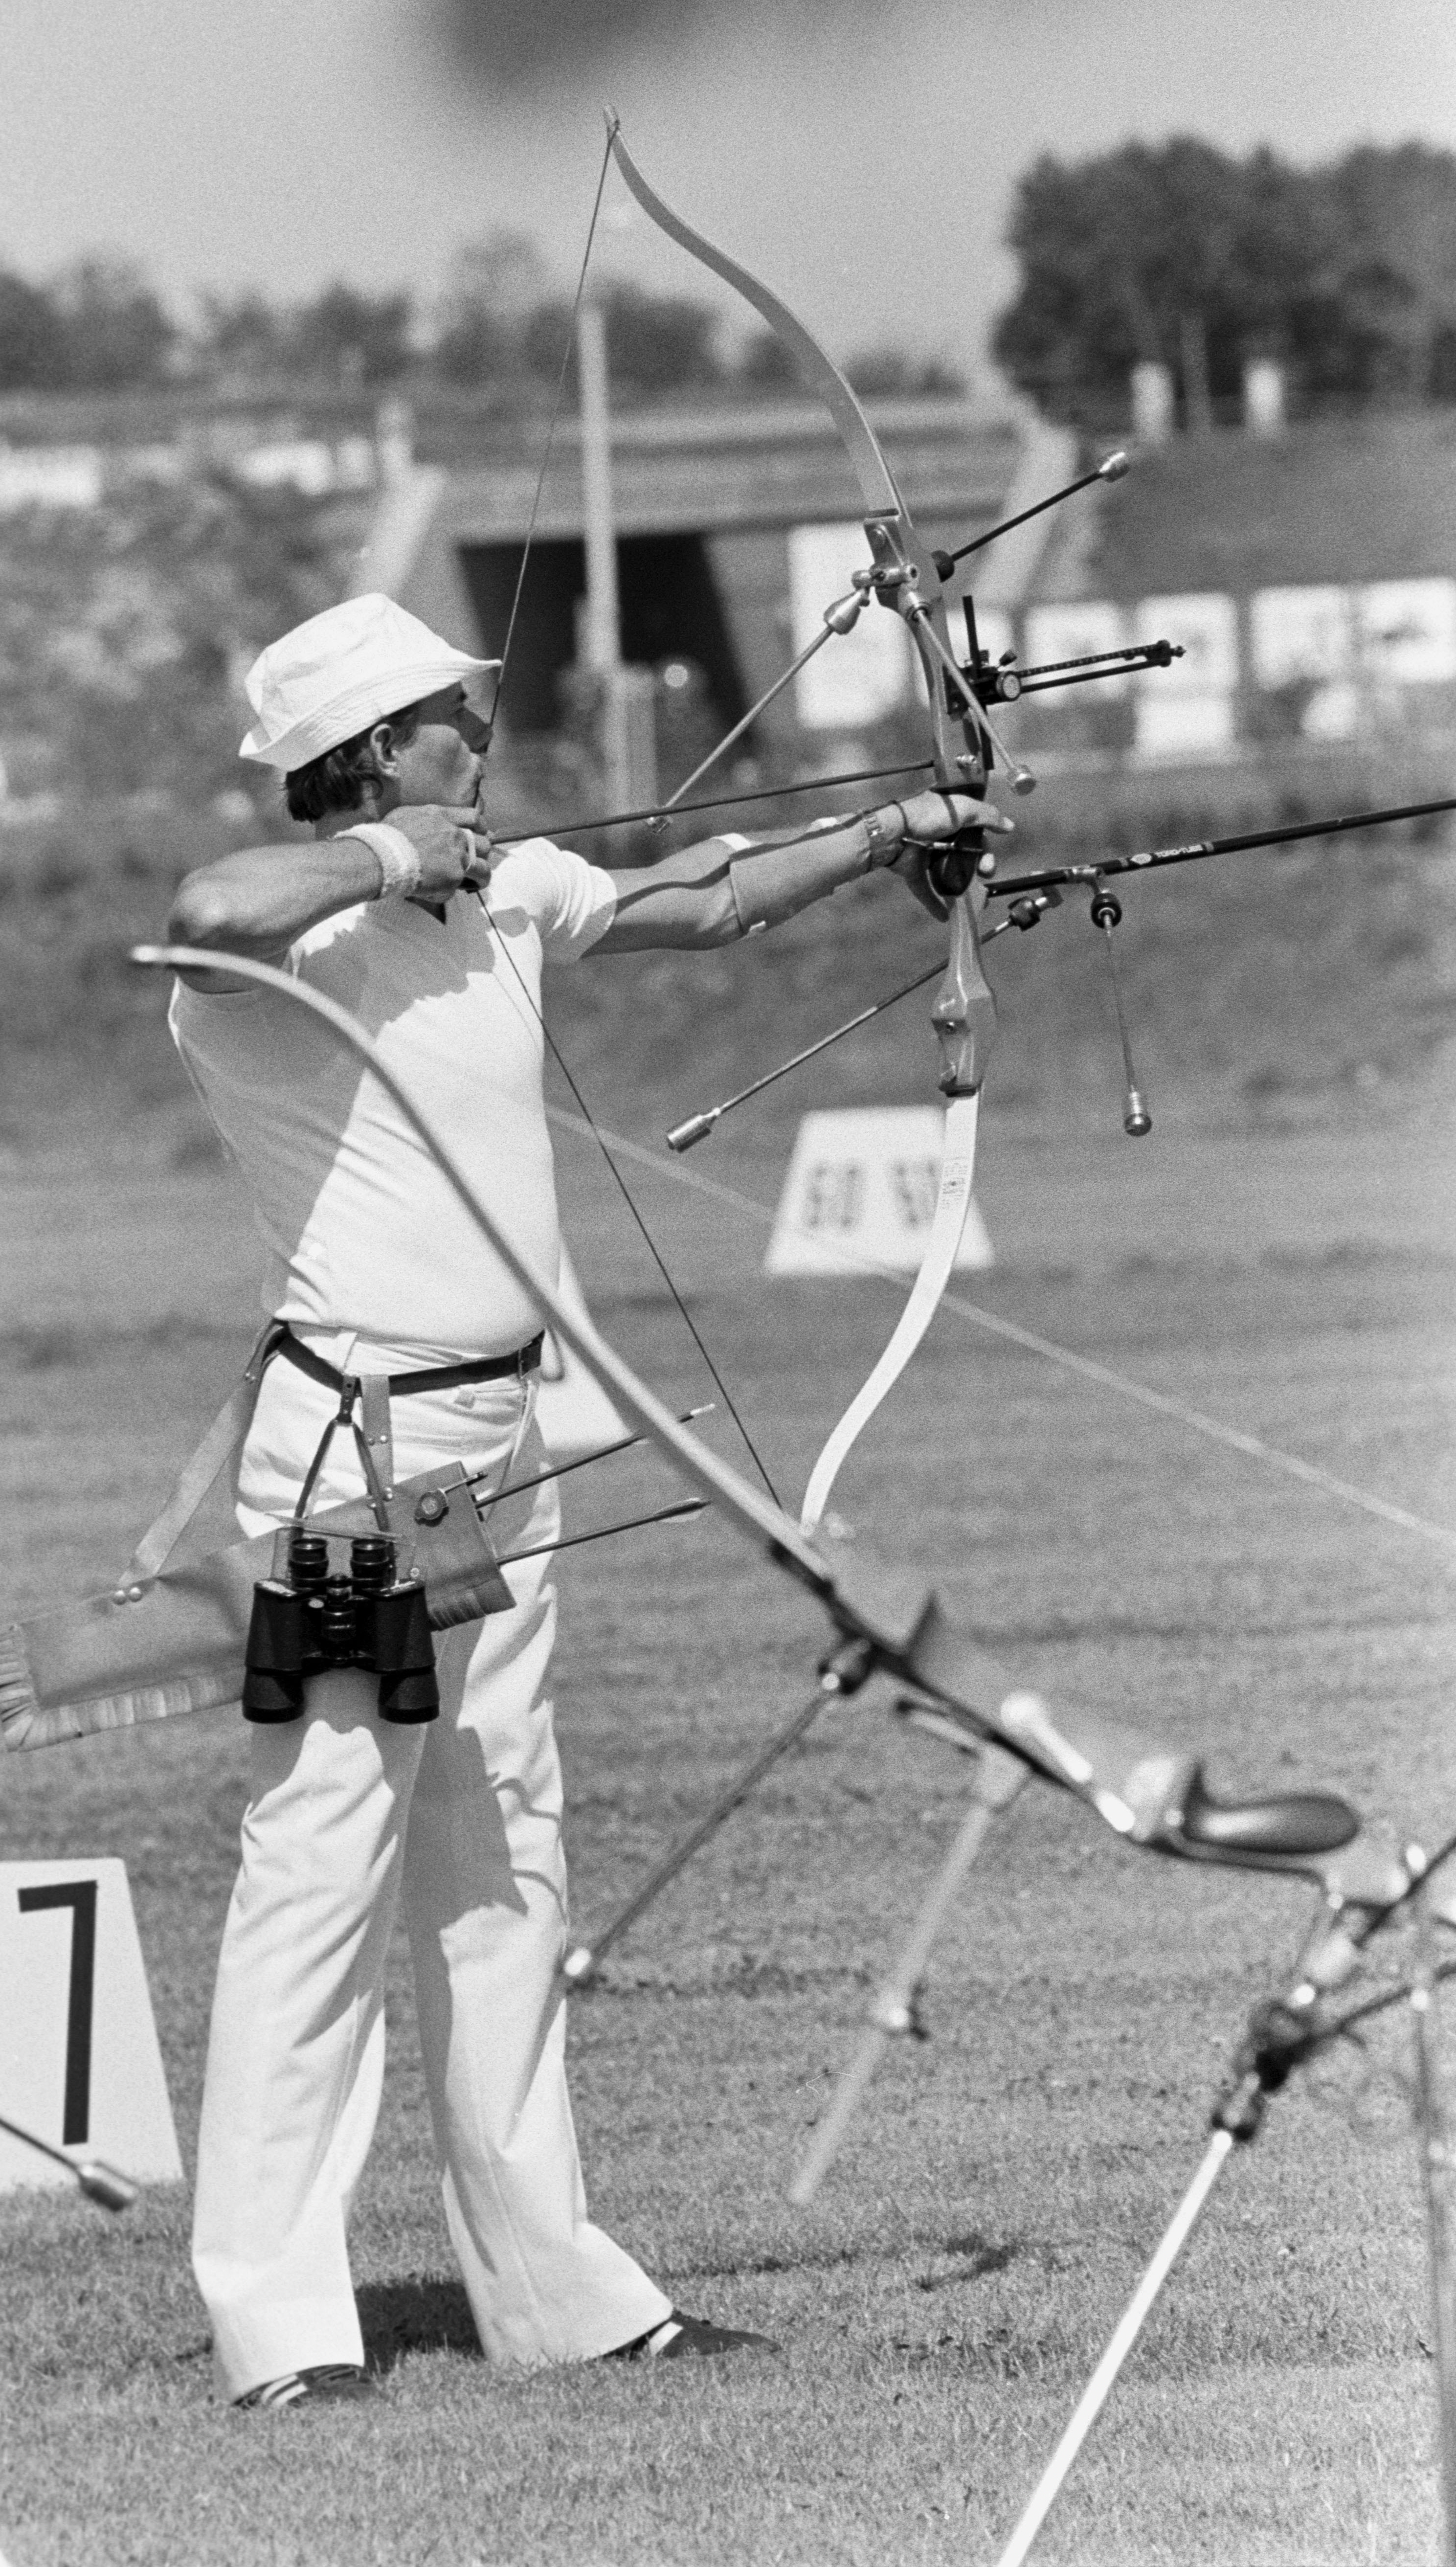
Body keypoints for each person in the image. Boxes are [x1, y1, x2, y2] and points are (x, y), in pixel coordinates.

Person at [164, 591, 1006, 2411]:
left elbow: (700, 895)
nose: (489, 730)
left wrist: (888, 836)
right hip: (351, 1475)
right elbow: (205, 908)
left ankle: (557, 2295)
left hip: (507, 1455)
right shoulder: (277, 962)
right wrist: (395, 855)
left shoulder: (506, 896)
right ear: (383, 750)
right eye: (452, 721)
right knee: (321, 1869)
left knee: (508, 1870)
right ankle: (278, 2323)